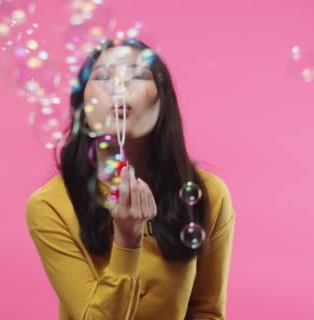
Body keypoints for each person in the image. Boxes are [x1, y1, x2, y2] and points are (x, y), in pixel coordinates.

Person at [26, 38, 236, 320]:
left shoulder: (208, 193)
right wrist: (127, 239)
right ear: (83, 107)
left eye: (137, 75)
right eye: (103, 76)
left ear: (163, 100)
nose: (119, 86)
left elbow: (206, 312)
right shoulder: (50, 205)